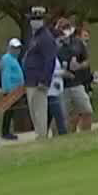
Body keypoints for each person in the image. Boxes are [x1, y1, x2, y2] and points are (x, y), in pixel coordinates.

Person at [21, 11, 59, 141]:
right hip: (31, 80)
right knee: (34, 110)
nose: (33, 22)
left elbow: (50, 60)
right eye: (32, 19)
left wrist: (44, 80)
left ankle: (41, 136)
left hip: (38, 81)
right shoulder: (35, 36)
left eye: (36, 19)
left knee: (39, 110)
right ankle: (39, 134)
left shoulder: (45, 38)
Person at [59, 18, 94, 132]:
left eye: (67, 27)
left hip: (77, 84)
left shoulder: (77, 43)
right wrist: (62, 73)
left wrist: (78, 66)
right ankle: (68, 138)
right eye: (63, 28)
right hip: (61, 87)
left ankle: (85, 135)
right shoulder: (55, 46)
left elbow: (86, 61)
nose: (65, 30)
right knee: (65, 117)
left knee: (87, 110)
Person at [0, 37, 25, 141]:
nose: (17, 50)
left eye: (18, 48)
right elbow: (6, 75)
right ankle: (5, 132)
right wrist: (9, 90)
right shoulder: (7, 58)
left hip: (16, 90)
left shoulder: (14, 59)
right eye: (14, 48)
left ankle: (7, 131)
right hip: (11, 90)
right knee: (8, 112)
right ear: (10, 48)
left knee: (11, 112)